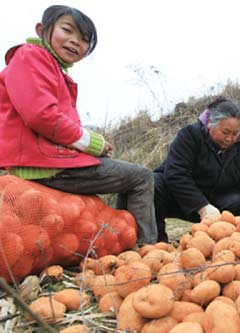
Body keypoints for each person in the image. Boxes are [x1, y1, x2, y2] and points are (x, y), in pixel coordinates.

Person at [0, 5, 158, 245]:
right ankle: (147, 249)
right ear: (42, 29)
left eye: (84, 40)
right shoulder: (31, 56)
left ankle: (128, 241)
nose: (75, 42)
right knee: (142, 177)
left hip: (45, 160)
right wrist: (92, 143)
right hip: (42, 163)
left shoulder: (50, 67)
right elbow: (42, 116)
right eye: (67, 30)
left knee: (130, 176)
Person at [154, 97, 240, 236]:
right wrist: (202, 206)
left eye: (235, 134)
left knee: (238, 200)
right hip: (182, 199)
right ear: (210, 124)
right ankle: (157, 240)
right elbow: (176, 174)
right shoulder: (190, 135)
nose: (230, 139)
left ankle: (225, 237)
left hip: (216, 202)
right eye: (225, 132)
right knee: (154, 183)